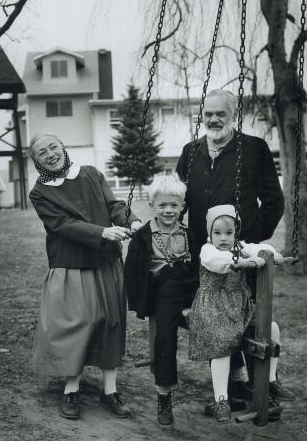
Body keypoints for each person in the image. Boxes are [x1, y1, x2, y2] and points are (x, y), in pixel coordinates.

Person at [176, 89, 294, 404]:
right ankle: (237, 381)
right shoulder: (190, 152)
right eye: (209, 114)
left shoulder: (254, 149)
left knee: (253, 318)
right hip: (202, 258)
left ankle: (265, 385)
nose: (214, 119)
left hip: (242, 254)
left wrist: (251, 239)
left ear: (233, 114)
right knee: (217, 319)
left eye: (221, 113)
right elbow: (177, 201)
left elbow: (274, 200)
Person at [29, 133, 142, 420]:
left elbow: (113, 205)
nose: (50, 154)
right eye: (42, 152)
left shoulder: (91, 174)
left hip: (106, 262)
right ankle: (71, 389)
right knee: (78, 324)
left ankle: (110, 391)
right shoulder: (40, 192)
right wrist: (102, 232)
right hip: (71, 266)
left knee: (111, 323)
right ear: (36, 161)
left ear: (64, 146)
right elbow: (62, 225)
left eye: (54, 146)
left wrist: (132, 220)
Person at [187, 205, 285, 423]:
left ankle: (270, 381)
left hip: (239, 307)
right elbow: (217, 263)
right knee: (222, 344)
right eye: (218, 233)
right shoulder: (208, 250)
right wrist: (240, 263)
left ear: (236, 234)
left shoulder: (240, 246)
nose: (224, 238)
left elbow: (259, 247)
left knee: (271, 328)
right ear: (209, 234)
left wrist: (271, 255)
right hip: (214, 308)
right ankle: (221, 399)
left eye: (229, 233)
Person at [124, 174, 199, 426]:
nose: (168, 210)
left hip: (190, 285)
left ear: (182, 206)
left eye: (174, 205)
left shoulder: (190, 233)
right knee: (165, 336)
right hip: (163, 289)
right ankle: (164, 396)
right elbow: (132, 271)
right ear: (153, 205)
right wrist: (140, 303)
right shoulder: (144, 236)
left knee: (219, 315)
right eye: (163, 205)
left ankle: (237, 380)